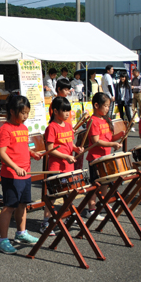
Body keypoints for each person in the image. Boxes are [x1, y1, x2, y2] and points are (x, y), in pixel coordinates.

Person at [0, 95, 42, 254]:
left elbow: (22, 146)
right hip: (11, 174)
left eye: (27, 113)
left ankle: (21, 233)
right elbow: (2, 153)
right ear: (11, 111)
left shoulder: (23, 127)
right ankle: (2, 239)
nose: (25, 116)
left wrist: (31, 153)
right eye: (22, 113)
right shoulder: (5, 129)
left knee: (23, 204)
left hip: (25, 172)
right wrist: (15, 167)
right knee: (9, 207)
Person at [39, 97, 84, 235]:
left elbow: (69, 144)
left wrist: (76, 149)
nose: (67, 114)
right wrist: (66, 156)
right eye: (64, 111)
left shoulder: (69, 126)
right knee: (53, 195)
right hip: (56, 167)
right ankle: (45, 222)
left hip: (68, 166)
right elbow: (51, 149)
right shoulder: (51, 127)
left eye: (68, 111)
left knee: (69, 193)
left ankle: (69, 215)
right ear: (55, 111)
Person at [85, 92, 124, 219]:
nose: (108, 108)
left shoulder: (106, 119)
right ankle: (91, 209)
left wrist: (120, 136)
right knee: (95, 184)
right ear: (96, 105)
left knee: (105, 183)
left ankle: (103, 204)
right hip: (96, 158)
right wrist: (113, 144)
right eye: (106, 106)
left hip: (105, 156)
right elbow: (96, 141)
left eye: (109, 106)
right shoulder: (93, 120)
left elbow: (109, 137)